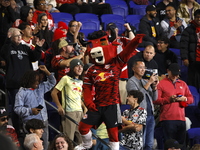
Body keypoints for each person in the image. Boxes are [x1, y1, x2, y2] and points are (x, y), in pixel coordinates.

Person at [74, 33, 144, 150]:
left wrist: (136, 41)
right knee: (82, 127)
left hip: (112, 105)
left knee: (113, 133)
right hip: (97, 105)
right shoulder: (91, 69)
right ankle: (87, 144)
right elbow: (86, 88)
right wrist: (88, 102)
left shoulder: (116, 63)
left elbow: (127, 51)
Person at [0, 27, 44, 135]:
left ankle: (29, 128)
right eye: (17, 36)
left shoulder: (25, 47)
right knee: (17, 107)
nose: (20, 37)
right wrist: (8, 39)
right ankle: (17, 128)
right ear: (11, 36)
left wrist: (38, 47)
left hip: (27, 83)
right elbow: (4, 54)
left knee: (29, 106)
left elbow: (34, 58)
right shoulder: (7, 48)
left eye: (20, 35)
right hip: (14, 83)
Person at [14, 65, 56, 150]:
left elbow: (52, 82)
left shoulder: (41, 87)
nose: (37, 82)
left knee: (44, 144)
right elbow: (17, 109)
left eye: (38, 80)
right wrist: (30, 111)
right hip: (31, 123)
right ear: (29, 80)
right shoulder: (22, 92)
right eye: (35, 80)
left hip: (43, 120)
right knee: (33, 145)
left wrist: (47, 71)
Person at [154, 63, 193, 147]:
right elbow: (156, 100)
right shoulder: (161, 83)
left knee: (181, 145)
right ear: (168, 71)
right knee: (169, 144)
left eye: (177, 75)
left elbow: (191, 98)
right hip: (167, 118)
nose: (175, 76)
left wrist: (185, 99)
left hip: (181, 118)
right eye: (173, 74)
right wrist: (169, 100)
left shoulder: (183, 84)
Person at [51, 59, 86, 144]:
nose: (80, 68)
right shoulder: (66, 78)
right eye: (77, 66)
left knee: (81, 140)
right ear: (72, 68)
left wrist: (84, 107)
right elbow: (54, 93)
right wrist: (59, 106)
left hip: (80, 112)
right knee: (68, 139)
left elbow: (78, 97)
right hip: (70, 112)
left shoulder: (81, 81)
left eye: (81, 66)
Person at [126, 60, 158, 150]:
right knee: (141, 142)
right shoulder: (131, 82)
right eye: (140, 67)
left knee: (149, 143)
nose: (143, 70)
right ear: (133, 69)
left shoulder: (144, 81)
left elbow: (154, 98)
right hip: (139, 115)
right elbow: (137, 97)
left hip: (150, 114)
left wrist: (154, 87)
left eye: (144, 68)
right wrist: (149, 83)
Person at [106, 22, 135, 104]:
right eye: (109, 30)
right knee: (110, 100)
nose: (112, 32)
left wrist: (129, 29)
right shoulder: (104, 41)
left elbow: (133, 42)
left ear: (117, 31)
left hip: (122, 74)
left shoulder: (121, 40)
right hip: (108, 75)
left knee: (122, 100)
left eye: (114, 30)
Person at [180, 9, 200, 90]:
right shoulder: (188, 30)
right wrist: (185, 58)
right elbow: (183, 45)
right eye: (198, 17)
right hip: (193, 61)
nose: (199, 19)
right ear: (194, 18)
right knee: (194, 84)